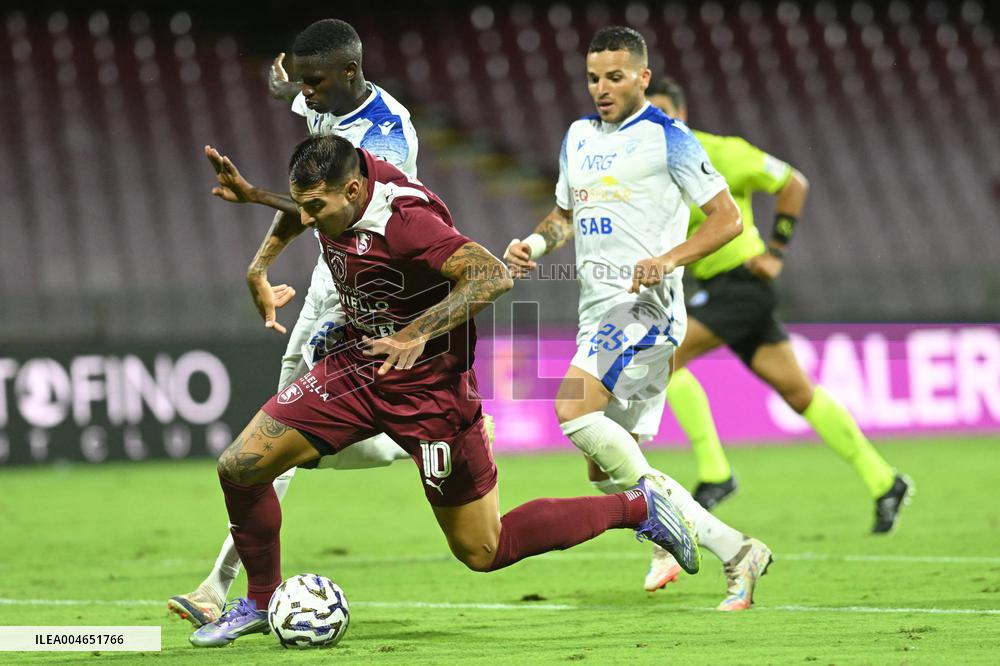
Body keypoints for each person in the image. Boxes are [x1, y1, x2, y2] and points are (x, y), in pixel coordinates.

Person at [189, 135, 700, 647]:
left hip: (431, 393)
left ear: (352, 189)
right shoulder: (341, 191)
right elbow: (309, 208)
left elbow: (491, 276)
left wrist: (415, 333)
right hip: (358, 364)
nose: (306, 220)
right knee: (242, 466)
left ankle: (638, 507)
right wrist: (260, 213)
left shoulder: (406, 221)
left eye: (315, 208)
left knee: (483, 549)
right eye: (302, 205)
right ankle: (259, 600)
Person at [168, 18, 459, 628]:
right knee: (292, 435)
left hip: (357, 288)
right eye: (304, 84)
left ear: (350, 73)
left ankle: (223, 588)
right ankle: (427, 436)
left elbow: (337, 212)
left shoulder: (385, 138)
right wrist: (285, 90)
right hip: (335, 277)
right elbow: (300, 108)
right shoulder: (325, 98)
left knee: (274, 435)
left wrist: (253, 201)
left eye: (316, 83)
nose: (308, 94)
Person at [503, 27, 771, 611]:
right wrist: (534, 244)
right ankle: (733, 550)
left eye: (615, 76)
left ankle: (677, 532)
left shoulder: (669, 137)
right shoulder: (576, 136)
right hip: (595, 309)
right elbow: (564, 215)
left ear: (643, 77)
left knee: (572, 408)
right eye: (594, 77)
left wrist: (669, 259)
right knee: (608, 469)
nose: (602, 88)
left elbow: (726, 220)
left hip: (645, 309)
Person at [636, 76, 913, 592]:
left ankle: (716, 472)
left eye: (665, 113)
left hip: (741, 285)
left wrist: (778, 251)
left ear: (684, 114)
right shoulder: (651, 171)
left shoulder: (722, 153)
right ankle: (885, 480)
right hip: (721, 292)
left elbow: (794, 183)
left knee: (661, 359)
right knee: (798, 392)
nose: (659, 124)